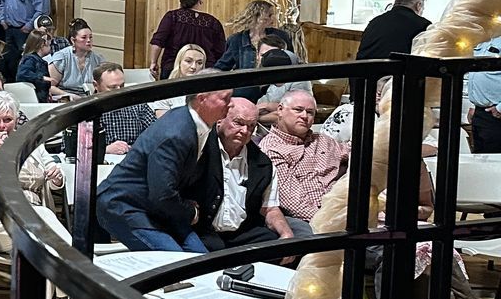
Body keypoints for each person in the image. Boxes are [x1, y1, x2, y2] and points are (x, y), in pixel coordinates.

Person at [94, 87, 235, 256]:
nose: (230, 104)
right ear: (202, 98)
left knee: (201, 261)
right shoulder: (176, 133)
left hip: (158, 207)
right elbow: (162, 194)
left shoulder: (199, 124)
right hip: (123, 205)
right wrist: (191, 212)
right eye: (225, 98)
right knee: (179, 264)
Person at [196, 98, 309, 250]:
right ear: (220, 120)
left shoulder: (263, 164)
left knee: (279, 246)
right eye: (238, 122)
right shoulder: (199, 150)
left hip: (243, 232)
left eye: (251, 126)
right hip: (202, 230)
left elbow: (270, 208)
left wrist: (286, 233)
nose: (245, 131)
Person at [0, 91, 63, 255]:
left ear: (16, 119)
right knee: (41, 228)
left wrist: (56, 178)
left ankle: (71, 265)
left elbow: (53, 178)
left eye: (7, 119)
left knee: (42, 230)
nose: (1, 125)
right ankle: (77, 265)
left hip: (32, 208)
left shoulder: (31, 141)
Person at [260, 89, 348, 224]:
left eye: (310, 112)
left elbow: (354, 153)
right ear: (280, 110)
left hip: (345, 208)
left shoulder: (323, 140)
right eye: (298, 110)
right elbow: (295, 204)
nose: (304, 116)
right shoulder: (272, 149)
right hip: (312, 220)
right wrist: (332, 223)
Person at [149, 0, 226, 78]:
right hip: (204, 69)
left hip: (173, 66)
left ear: (181, 2)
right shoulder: (213, 22)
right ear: (199, 1)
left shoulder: (173, 16)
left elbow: (158, 41)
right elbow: (221, 50)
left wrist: (153, 62)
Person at [357, 0, 430, 62]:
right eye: (423, 9)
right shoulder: (423, 25)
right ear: (418, 5)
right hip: (393, 68)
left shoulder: (375, 21)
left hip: (359, 67)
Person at [214, 0, 277, 81]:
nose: (273, 18)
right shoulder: (236, 40)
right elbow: (222, 66)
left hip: (273, 84)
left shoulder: (280, 36)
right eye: (269, 15)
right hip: (246, 85)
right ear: (256, 16)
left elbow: (289, 61)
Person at [47, 24, 100, 100]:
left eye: (90, 37)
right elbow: (49, 86)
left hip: (88, 99)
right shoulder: (62, 57)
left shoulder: (98, 59)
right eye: (84, 37)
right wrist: (69, 95)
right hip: (65, 98)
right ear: (73, 40)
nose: (88, 40)